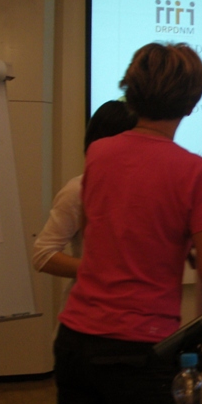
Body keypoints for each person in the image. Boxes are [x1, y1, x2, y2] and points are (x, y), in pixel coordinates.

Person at [54, 42, 202, 404]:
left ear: (130, 91)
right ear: (192, 102)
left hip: (76, 339)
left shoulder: (99, 153)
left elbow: (106, 234)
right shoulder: (197, 172)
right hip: (139, 347)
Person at [32, 101, 137, 314]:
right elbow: (43, 255)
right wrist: (99, 271)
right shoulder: (79, 189)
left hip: (139, 313)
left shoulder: (150, 188)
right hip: (89, 313)